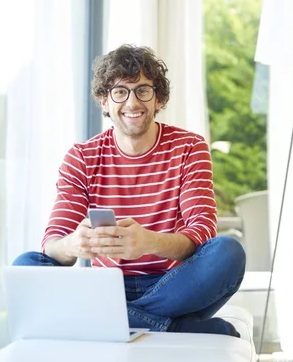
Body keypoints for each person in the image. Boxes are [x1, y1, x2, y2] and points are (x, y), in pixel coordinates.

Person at [13, 44, 246, 337]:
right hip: (105, 287)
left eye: (142, 91)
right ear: (104, 101)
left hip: (173, 284)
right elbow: (53, 244)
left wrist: (149, 242)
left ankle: (114, 321)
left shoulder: (190, 147)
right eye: (119, 92)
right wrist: (75, 244)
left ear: (158, 99)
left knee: (228, 252)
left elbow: (201, 234)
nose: (132, 103)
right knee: (26, 265)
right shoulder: (82, 157)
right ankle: (170, 326)